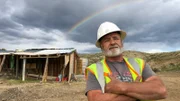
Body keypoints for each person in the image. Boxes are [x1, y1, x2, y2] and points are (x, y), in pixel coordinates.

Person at [85, 21, 167, 101]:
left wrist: (120, 87)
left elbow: (160, 90)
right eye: (107, 40)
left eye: (115, 38)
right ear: (102, 46)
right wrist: (139, 91)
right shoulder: (94, 70)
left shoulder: (140, 64)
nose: (112, 42)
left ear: (121, 43)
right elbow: (95, 99)